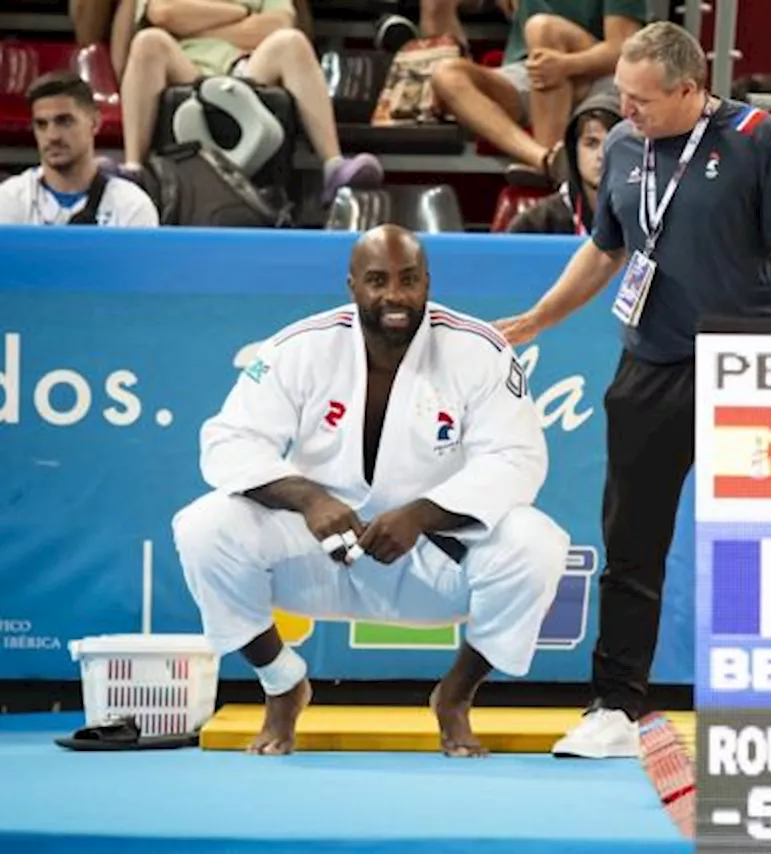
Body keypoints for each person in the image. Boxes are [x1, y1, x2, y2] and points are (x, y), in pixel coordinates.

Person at [497, 21, 771, 758]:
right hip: (649, 366)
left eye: (642, 101)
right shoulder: (621, 146)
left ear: (689, 88)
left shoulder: (758, 137)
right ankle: (614, 707)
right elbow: (607, 248)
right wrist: (542, 317)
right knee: (631, 543)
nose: (626, 112)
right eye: (623, 98)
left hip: (746, 369)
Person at [172, 225, 570, 757]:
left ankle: (454, 697)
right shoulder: (301, 347)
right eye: (377, 281)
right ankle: (282, 685)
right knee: (203, 528)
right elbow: (227, 443)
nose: (395, 296)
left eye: (408, 280)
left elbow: (518, 459)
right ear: (352, 285)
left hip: (434, 560)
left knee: (537, 544)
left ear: (428, 281)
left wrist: (424, 514)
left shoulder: (478, 349)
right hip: (320, 553)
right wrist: (309, 498)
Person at [119, 0, 382, 203]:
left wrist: (195, 24)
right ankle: (135, 171)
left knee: (292, 41)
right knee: (148, 41)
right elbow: (163, 15)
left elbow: (280, 23)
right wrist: (239, 12)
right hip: (185, 70)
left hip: (249, 69)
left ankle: (333, 166)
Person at [430, 0, 647, 188]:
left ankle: (550, 162)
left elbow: (624, 51)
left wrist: (567, 65)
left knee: (542, 28)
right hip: (529, 70)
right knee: (446, 74)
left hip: (596, 73)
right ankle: (545, 160)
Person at [0, 72, 158, 226]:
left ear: (94, 123)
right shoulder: (9, 200)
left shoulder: (132, 206)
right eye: (42, 124)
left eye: (64, 121)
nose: (52, 136)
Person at [506, 90, 622, 234]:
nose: (601, 156)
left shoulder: (649, 217)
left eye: (613, 144)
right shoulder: (536, 224)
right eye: (591, 143)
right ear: (573, 151)